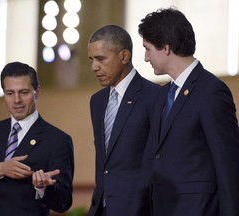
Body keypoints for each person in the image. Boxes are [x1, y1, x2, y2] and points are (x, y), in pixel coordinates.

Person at [132, 7, 239, 216]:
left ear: (166, 47)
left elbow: (229, 164)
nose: (145, 57)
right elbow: (152, 160)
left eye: (147, 48)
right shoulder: (162, 95)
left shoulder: (211, 91)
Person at [0, 62, 74, 216]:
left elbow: (63, 201)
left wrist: (43, 188)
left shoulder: (57, 140)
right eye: (10, 93)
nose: (16, 100)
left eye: (23, 92)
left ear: (37, 92)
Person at [87, 24, 160, 216]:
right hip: (100, 209)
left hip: (139, 209)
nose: (94, 67)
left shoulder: (155, 97)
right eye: (92, 59)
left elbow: (155, 163)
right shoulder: (97, 101)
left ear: (124, 56)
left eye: (100, 59)